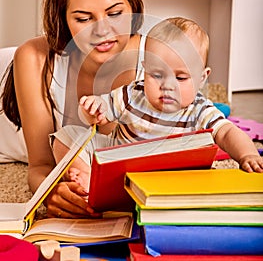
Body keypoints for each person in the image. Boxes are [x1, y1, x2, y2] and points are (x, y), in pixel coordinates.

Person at [0, 0, 145, 218]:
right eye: (83, 18)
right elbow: (40, 165)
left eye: (115, 14)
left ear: (134, 7)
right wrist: (50, 191)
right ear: (64, 19)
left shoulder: (155, 63)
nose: (103, 31)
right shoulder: (33, 59)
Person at [64, 17, 262, 189]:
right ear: (145, 69)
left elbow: (227, 132)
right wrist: (94, 108)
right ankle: (87, 179)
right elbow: (103, 112)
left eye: (181, 78)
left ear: (202, 78)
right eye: (157, 75)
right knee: (68, 135)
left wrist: (247, 155)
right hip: (121, 167)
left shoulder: (199, 110)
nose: (168, 86)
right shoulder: (133, 94)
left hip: (171, 177)